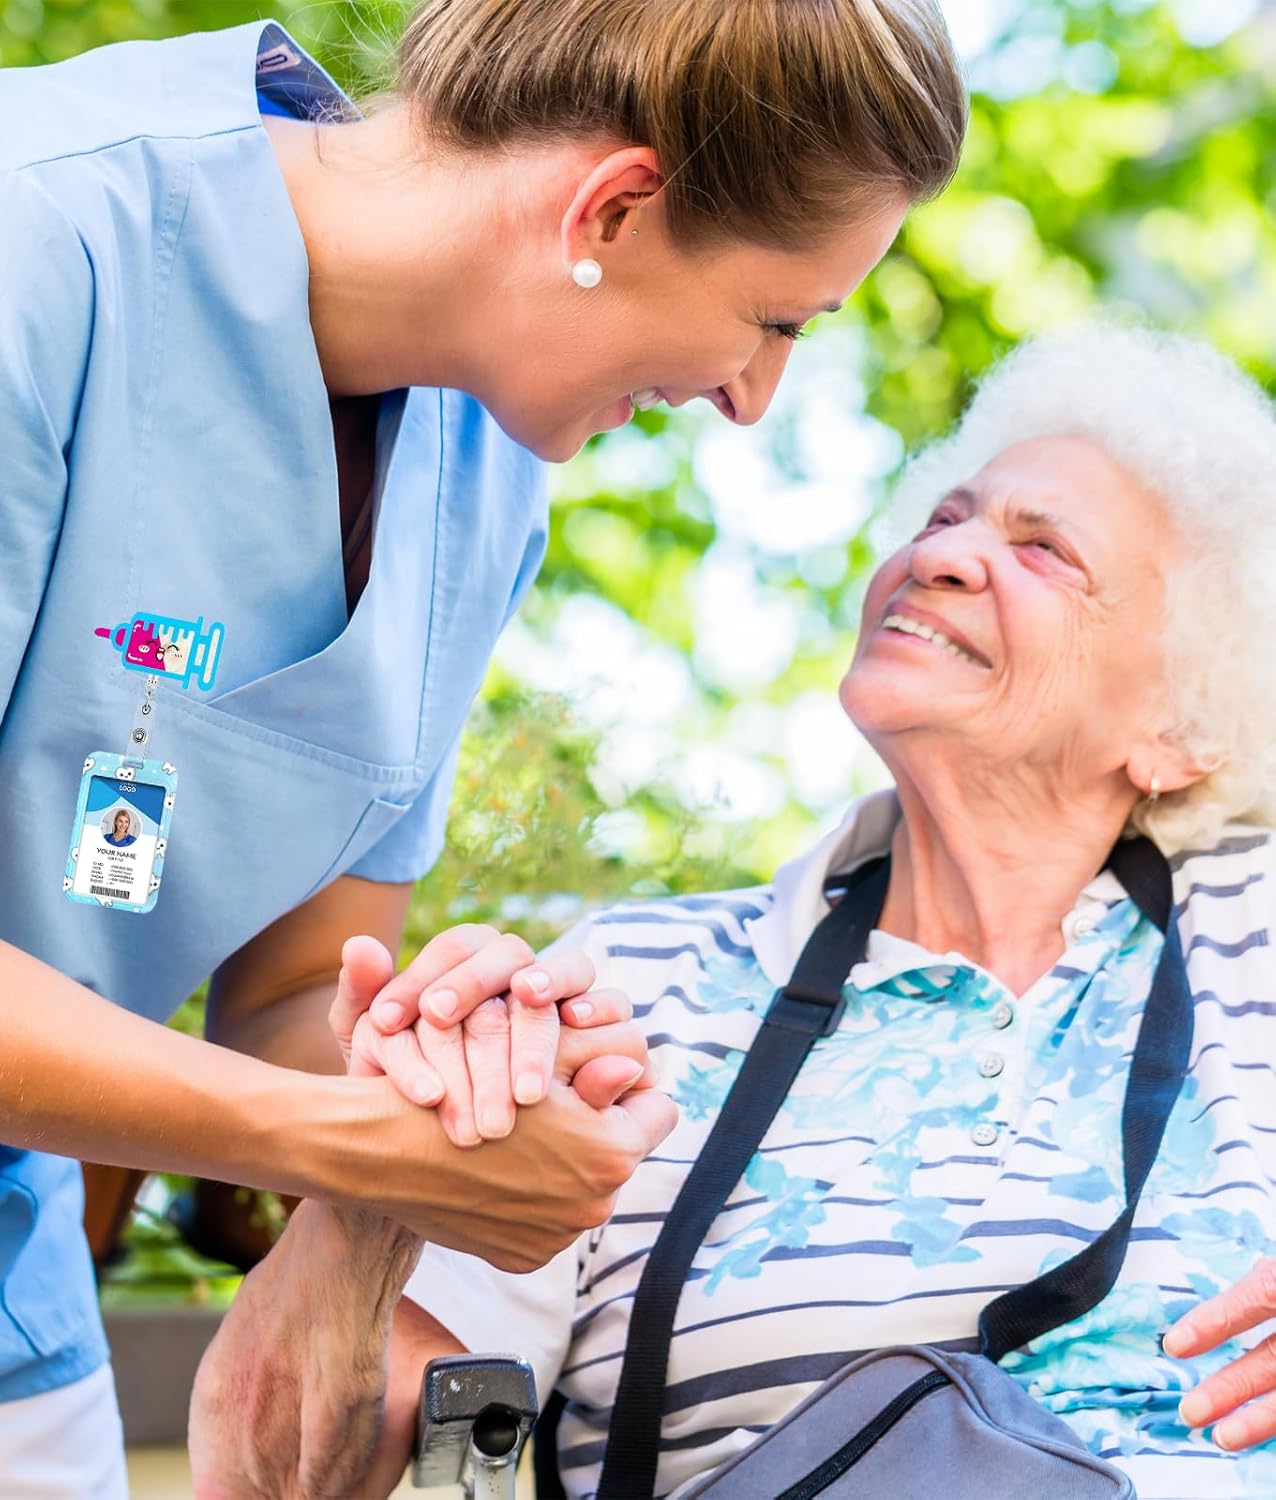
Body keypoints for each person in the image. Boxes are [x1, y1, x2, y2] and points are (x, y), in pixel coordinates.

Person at [0, 2, 967, 1494]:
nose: (753, 398)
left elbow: (282, 994)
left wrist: (461, 1072)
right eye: (778, 318)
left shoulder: (482, 469)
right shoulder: (15, 241)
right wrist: (341, 1142)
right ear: (612, 206)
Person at [229, 325, 1276, 1499]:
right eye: (946, 518)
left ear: (1182, 732)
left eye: (1046, 553)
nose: (948, 555)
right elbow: (414, 1467)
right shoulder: (627, 995)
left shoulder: (1254, 933)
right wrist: (374, 1203)